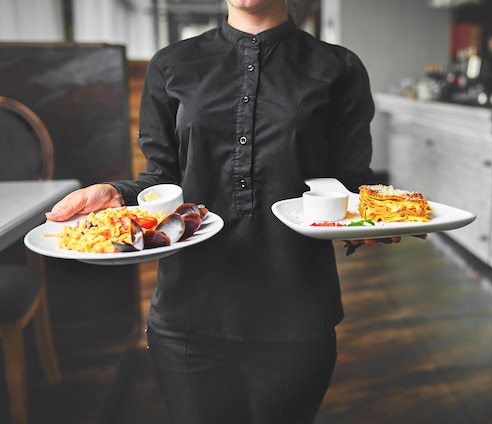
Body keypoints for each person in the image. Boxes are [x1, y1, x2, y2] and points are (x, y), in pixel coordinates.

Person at [46, 0, 397, 422]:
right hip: (187, 314)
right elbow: (162, 181)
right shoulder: (172, 64)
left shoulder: (338, 67)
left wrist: (375, 218)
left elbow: (349, 185)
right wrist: (117, 194)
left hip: (295, 310)